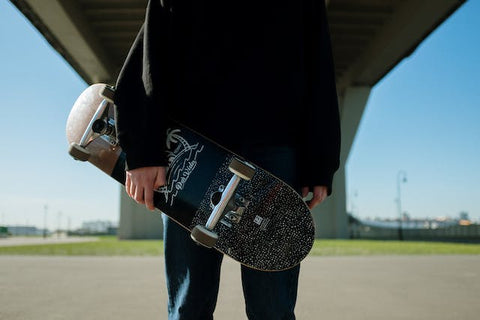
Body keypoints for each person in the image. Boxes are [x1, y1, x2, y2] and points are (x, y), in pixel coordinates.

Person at [114, 0, 340, 319]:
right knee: (188, 305)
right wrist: (142, 149)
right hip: (193, 149)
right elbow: (152, 48)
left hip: (274, 146)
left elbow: (318, 60)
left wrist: (320, 158)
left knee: (272, 308)